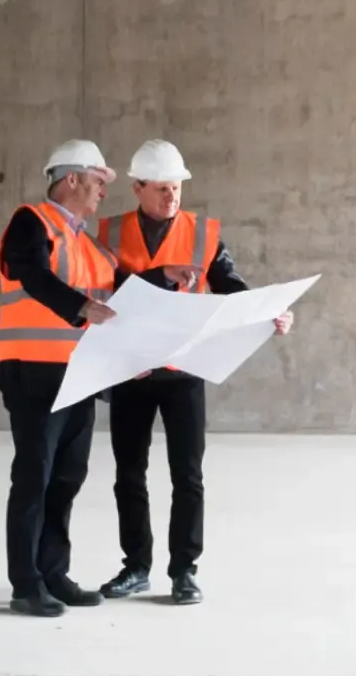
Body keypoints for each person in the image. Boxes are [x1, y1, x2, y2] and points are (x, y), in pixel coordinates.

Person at [92, 140, 288, 606]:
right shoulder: (108, 234)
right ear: (138, 188)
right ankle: (135, 567)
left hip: (184, 369)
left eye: (176, 187)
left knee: (188, 475)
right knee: (129, 474)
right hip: (132, 370)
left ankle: (184, 571)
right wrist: (161, 274)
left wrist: (268, 314)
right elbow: (102, 290)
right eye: (161, 188)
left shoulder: (204, 234)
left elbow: (231, 289)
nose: (171, 196)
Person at [0, 139, 124, 618]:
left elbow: (117, 295)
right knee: (35, 476)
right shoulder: (31, 221)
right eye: (98, 181)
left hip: (80, 374)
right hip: (34, 371)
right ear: (71, 179)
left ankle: (53, 574)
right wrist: (80, 306)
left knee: (67, 478)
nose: (103, 191)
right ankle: (26, 585)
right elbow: (29, 272)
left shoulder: (88, 244)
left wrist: (169, 283)